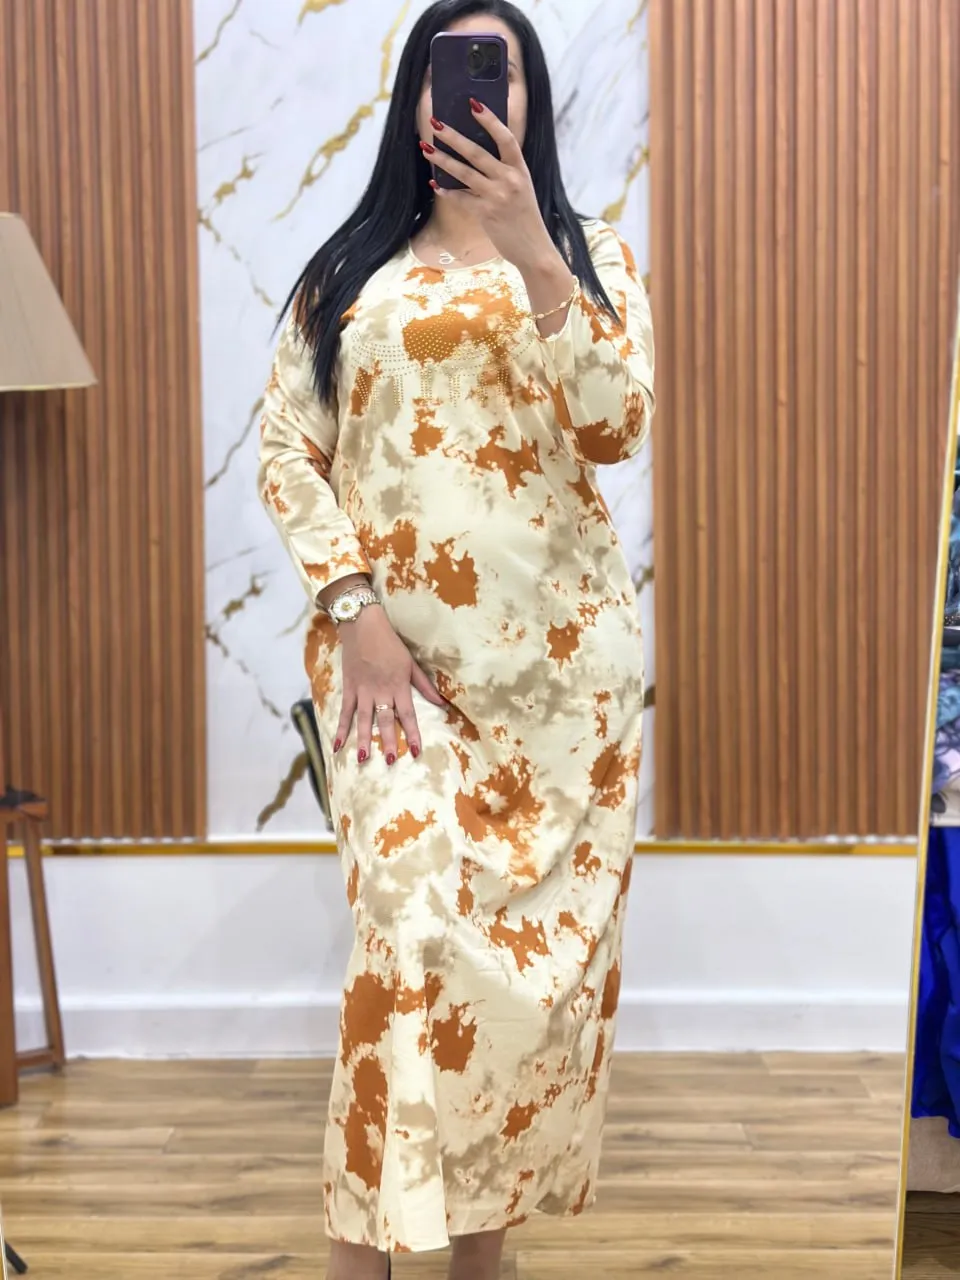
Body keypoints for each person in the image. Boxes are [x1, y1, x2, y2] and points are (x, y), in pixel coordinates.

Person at [258, 1, 654, 1276]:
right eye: (451, 73)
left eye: (502, 74)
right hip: (398, 686)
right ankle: (359, 1256)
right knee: (404, 950)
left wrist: (537, 249)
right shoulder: (349, 271)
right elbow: (288, 450)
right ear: (415, 101)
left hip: (566, 698)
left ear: (530, 102)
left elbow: (616, 427)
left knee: (510, 1003)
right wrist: (356, 612)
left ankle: (483, 1258)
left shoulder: (591, 259)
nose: (475, 95)